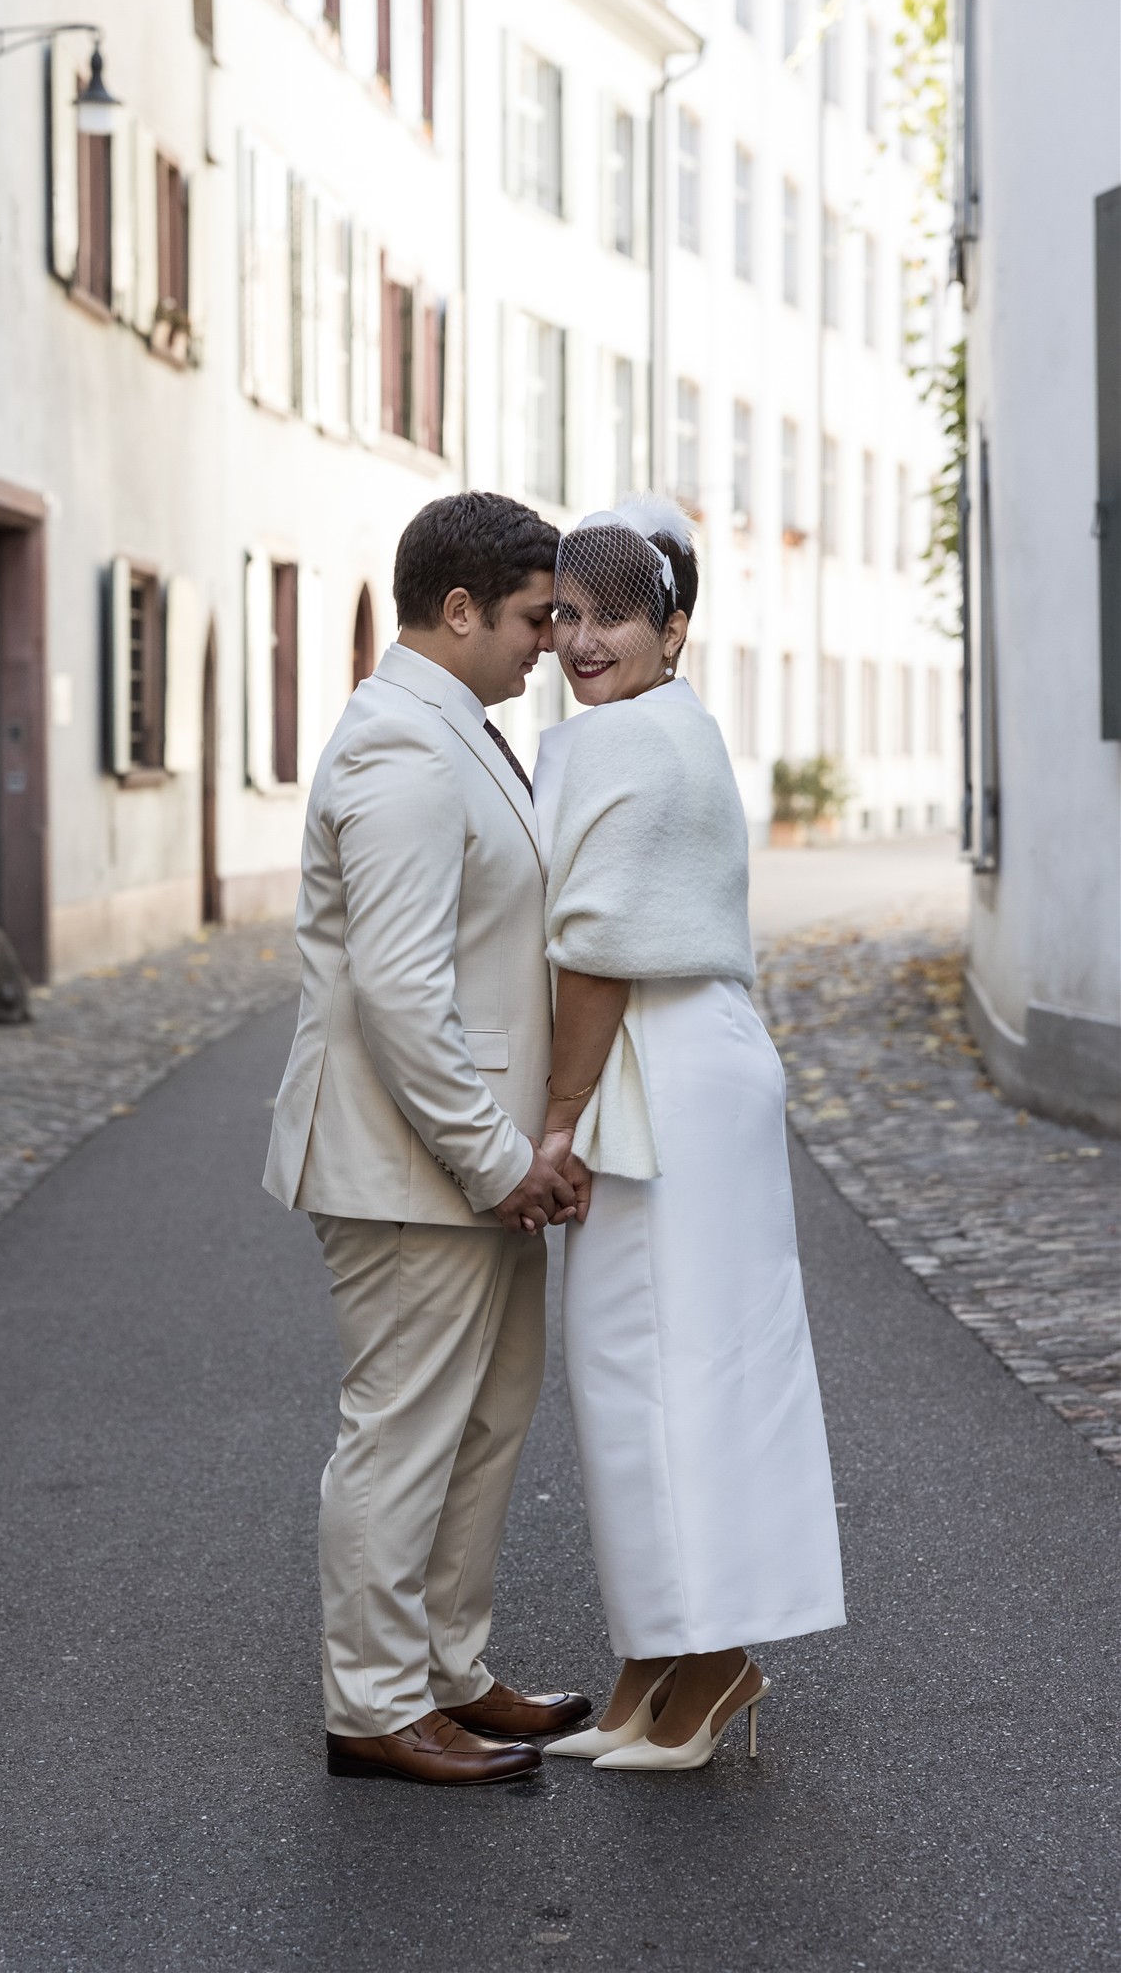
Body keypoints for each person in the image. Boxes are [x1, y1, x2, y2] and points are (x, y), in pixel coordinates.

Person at [264, 492, 593, 1787]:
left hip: (463, 1162)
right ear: (455, 610)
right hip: (411, 1167)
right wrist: (498, 1157)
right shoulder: (400, 747)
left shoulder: (454, 727)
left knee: (487, 1422)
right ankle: (374, 1705)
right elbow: (399, 993)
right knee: (403, 1433)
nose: (551, 642)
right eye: (531, 616)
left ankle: (450, 1672)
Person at [534, 494, 846, 1773]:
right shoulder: (657, 726)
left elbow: (599, 952)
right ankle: (652, 1662)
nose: (580, 638)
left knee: (670, 1374)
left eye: (612, 614)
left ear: (673, 627)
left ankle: (713, 1664)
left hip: (654, 1063)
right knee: (650, 1371)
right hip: (683, 1064)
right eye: (563, 612)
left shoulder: (626, 743)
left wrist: (555, 1119)